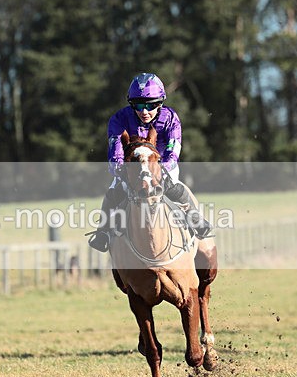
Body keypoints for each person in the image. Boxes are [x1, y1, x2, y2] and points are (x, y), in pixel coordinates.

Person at [87, 72, 213, 252]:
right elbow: (116, 148)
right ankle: (103, 233)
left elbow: (173, 147)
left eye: (150, 105)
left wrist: (164, 167)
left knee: (173, 185)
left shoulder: (170, 117)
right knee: (114, 191)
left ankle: (195, 219)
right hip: (132, 166)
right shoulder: (119, 118)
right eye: (138, 105)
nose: (144, 111)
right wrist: (119, 168)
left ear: (160, 103)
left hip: (160, 164)